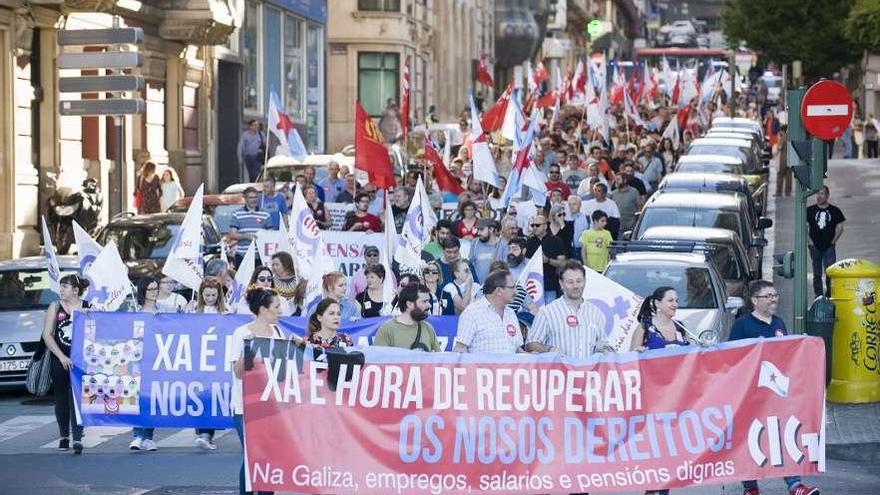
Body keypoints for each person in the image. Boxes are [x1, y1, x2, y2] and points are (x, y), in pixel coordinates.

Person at [729, 281, 820, 495]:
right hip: (750, 393)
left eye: (775, 295)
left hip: (776, 393)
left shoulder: (778, 323)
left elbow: (785, 354)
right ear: (754, 300)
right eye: (768, 295)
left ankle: (795, 485)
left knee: (784, 434)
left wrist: (800, 346)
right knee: (750, 438)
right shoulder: (741, 325)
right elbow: (730, 357)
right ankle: (750, 487)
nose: (774, 299)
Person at [231, 287, 291, 495]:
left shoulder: (278, 332)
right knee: (251, 456)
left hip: (271, 405)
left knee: (269, 456)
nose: (280, 311)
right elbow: (238, 373)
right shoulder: (242, 333)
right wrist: (249, 348)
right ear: (263, 310)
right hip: (245, 406)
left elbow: (283, 368)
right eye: (276, 307)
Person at [40, 274, 90, 454]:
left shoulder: (87, 307)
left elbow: (97, 333)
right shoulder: (55, 306)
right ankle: (64, 436)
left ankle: (77, 437)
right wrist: (61, 357)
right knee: (61, 399)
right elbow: (47, 335)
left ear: (76, 290)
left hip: (81, 361)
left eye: (65, 287)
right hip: (59, 359)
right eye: (60, 287)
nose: (61, 290)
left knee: (77, 398)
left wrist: (90, 317)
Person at [525, 261, 605, 359]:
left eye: (579, 281)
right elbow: (530, 344)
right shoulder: (548, 312)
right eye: (570, 282)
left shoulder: (595, 313)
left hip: (588, 373)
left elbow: (603, 343)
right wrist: (549, 349)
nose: (575, 286)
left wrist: (606, 349)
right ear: (561, 284)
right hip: (559, 372)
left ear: (585, 282)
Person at [188, 278, 227, 450]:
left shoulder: (226, 310)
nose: (210, 298)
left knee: (212, 395)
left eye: (213, 295)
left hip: (217, 358)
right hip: (198, 358)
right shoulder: (196, 310)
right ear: (201, 294)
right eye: (207, 295)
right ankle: (202, 432)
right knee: (200, 394)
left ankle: (207, 434)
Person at [453, 270, 523, 354]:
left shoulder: (511, 314)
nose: (516, 292)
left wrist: (533, 358)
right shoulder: (471, 313)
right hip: (480, 366)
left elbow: (516, 349)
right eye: (512, 287)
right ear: (499, 291)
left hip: (510, 367)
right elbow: (460, 350)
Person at [130, 276, 160, 452]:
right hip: (138, 360)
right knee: (137, 398)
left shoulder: (163, 312)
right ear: (143, 291)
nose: (154, 292)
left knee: (151, 398)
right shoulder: (134, 311)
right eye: (150, 289)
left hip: (157, 361)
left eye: (156, 288)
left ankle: (148, 437)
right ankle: (137, 436)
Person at [373, 283, 441, 351]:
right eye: (424, 301)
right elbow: (377, 359)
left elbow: (439, 359)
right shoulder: (387, 330)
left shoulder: (428, 328)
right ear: (409, 304)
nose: (429, 305)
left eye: (428, 301)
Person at [807, 186, 845, 297]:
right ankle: (818, 296)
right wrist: (810, 241)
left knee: (830, 272)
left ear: (827, 196)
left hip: (829, 246)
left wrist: (833, 241)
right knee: (817, 273)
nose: (819, 196)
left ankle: (829, 295)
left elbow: (840, 227)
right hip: (815, 246)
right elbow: (804, 226)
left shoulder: (834, 211)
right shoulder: (810, 211)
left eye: (822, 193)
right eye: (817, 193)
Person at [630, 287, 689, 354]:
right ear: (657, 303)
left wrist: (701, 347)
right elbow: (632, 358)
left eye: (676, 301)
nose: (675, 305)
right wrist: (638, 351)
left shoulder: (680, 327)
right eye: (670, 300)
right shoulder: (644, 326)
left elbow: (691, 353)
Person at [525, 215, 566, 303]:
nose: (534, 227)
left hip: (550, 285)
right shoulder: (529, 242)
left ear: (545, 226)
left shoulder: (556, 241)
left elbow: (563, 264)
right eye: (533, 225)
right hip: (533, 286)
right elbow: (526, 264)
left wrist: (548, 260)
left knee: (551, 313)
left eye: (537, 225)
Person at [228, 187, 271, 267]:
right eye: (251, 197)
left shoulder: (265, 214)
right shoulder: (237, 214)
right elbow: (232, 234)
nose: (254, 200)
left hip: (260, 256)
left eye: (255, 197)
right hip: (242, 255)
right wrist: (246, 236)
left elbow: (271, 234)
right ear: (245, 198)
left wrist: (263, 236)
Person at [776, 125, 792, 197]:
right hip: (790, 159)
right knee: (789, 176)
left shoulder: (783, 138)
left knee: (780, 175)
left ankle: (779, 191)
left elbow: (779, 147)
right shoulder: (790, 137)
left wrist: (779, 138)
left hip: (783, 159)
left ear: (783, 131)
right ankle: (787, 192)